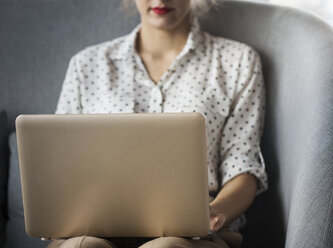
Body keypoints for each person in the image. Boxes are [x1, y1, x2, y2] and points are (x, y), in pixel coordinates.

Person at [49, 0, 268, 247]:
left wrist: (215, 212)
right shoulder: (87, 65)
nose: (160, 0)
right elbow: (64, 166)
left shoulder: (237, 61)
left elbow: (242, 164)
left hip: (190, 235)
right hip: (93, 228)